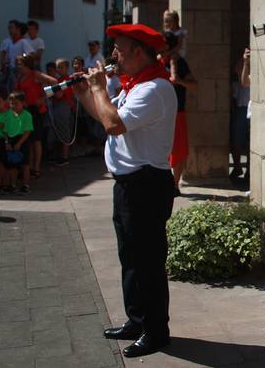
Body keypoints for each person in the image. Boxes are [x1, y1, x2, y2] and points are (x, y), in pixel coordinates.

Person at [71, 23, 176, 358]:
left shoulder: (154, 88)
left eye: (119, 48)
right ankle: (137, 320)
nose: (113, 54)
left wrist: (99, 87)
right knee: (130, 258)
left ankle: (156, 331)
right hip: (130, 184)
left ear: (140, 52)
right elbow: (105, 115)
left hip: (146, 185)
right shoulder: (135, 86)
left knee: (147, 261)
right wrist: (82, 93)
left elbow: (114, 124)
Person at [159, 31, 197, 195]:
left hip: (177, 111)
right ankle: (164, 182)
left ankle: (174, 186)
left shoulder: (179, 62)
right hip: (159, 112)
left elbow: (194, 85)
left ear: (167, 44)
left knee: (179, 149)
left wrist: (179, 81)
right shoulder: (156, 61)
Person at [16, 53, 56, 179]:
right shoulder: (20, 76)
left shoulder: (35, 74)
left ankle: (36, 168)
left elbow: (54, 81)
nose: (18, 66)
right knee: (28, 140)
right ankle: (29, 167)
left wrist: (43, 97)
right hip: (25, 110)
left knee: (36, 139)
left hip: (36, 110)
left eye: (20, 64)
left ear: (26, 64)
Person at [3, 91, 33, 195]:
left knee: (25, 164)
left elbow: (27, 131)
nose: (13, 105)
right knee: (12, 164)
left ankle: (25, 185)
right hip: (11, 139)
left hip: (22, 140)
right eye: (11, 103)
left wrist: (19, 143)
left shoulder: (27, 115)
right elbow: (5, 131)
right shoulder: (8, 115)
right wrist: (7, 143)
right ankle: (13, 184)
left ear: (23, 103)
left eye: (16, 103)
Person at [48, 58, 75, 166]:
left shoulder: (66, 80)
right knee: (58, 130)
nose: (58, 70)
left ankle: (65, 156)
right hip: (57, 106)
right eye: (57, 67)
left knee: (64, 131)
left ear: (67, 68)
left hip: (63, 106)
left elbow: (59, 95)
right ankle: (59, 155)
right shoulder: (59, 80)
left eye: (61, 67)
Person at [229, 48, 250, 184]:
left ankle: (249, 170)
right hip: (242, 108)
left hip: (251, 109)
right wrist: (245, 60)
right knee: (236, 140)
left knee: (250, 143)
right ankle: (237, 167)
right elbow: (239, 75)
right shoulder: (243, 66)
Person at [0, 20, 35, 92]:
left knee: (16, 89)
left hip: (18, 71)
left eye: (11, 28)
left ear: (18, 29)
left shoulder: (23, 42)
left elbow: (31, 54)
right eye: (9, 28)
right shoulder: (10, 43)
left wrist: (22, 60)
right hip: (10, 69)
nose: (9, 30)